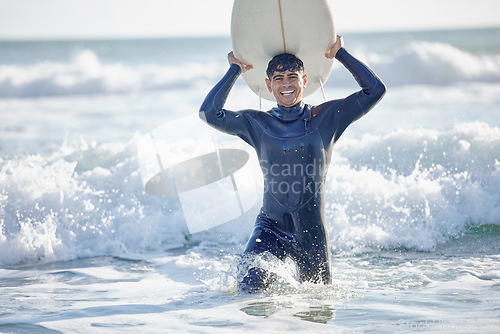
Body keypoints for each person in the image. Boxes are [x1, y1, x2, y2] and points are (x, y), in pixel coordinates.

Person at [199, 35, 386, 292]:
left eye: (292, 77)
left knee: (316, 309)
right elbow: (209, 113)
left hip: (311, 235)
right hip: (269, 228)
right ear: (269, 84)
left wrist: (340, 54)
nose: (286, 84)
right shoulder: (258, 124)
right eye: (278, 78)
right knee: (248, 291)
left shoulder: (326, 118)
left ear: (304, 81)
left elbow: (375, 90)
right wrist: (235, 69)